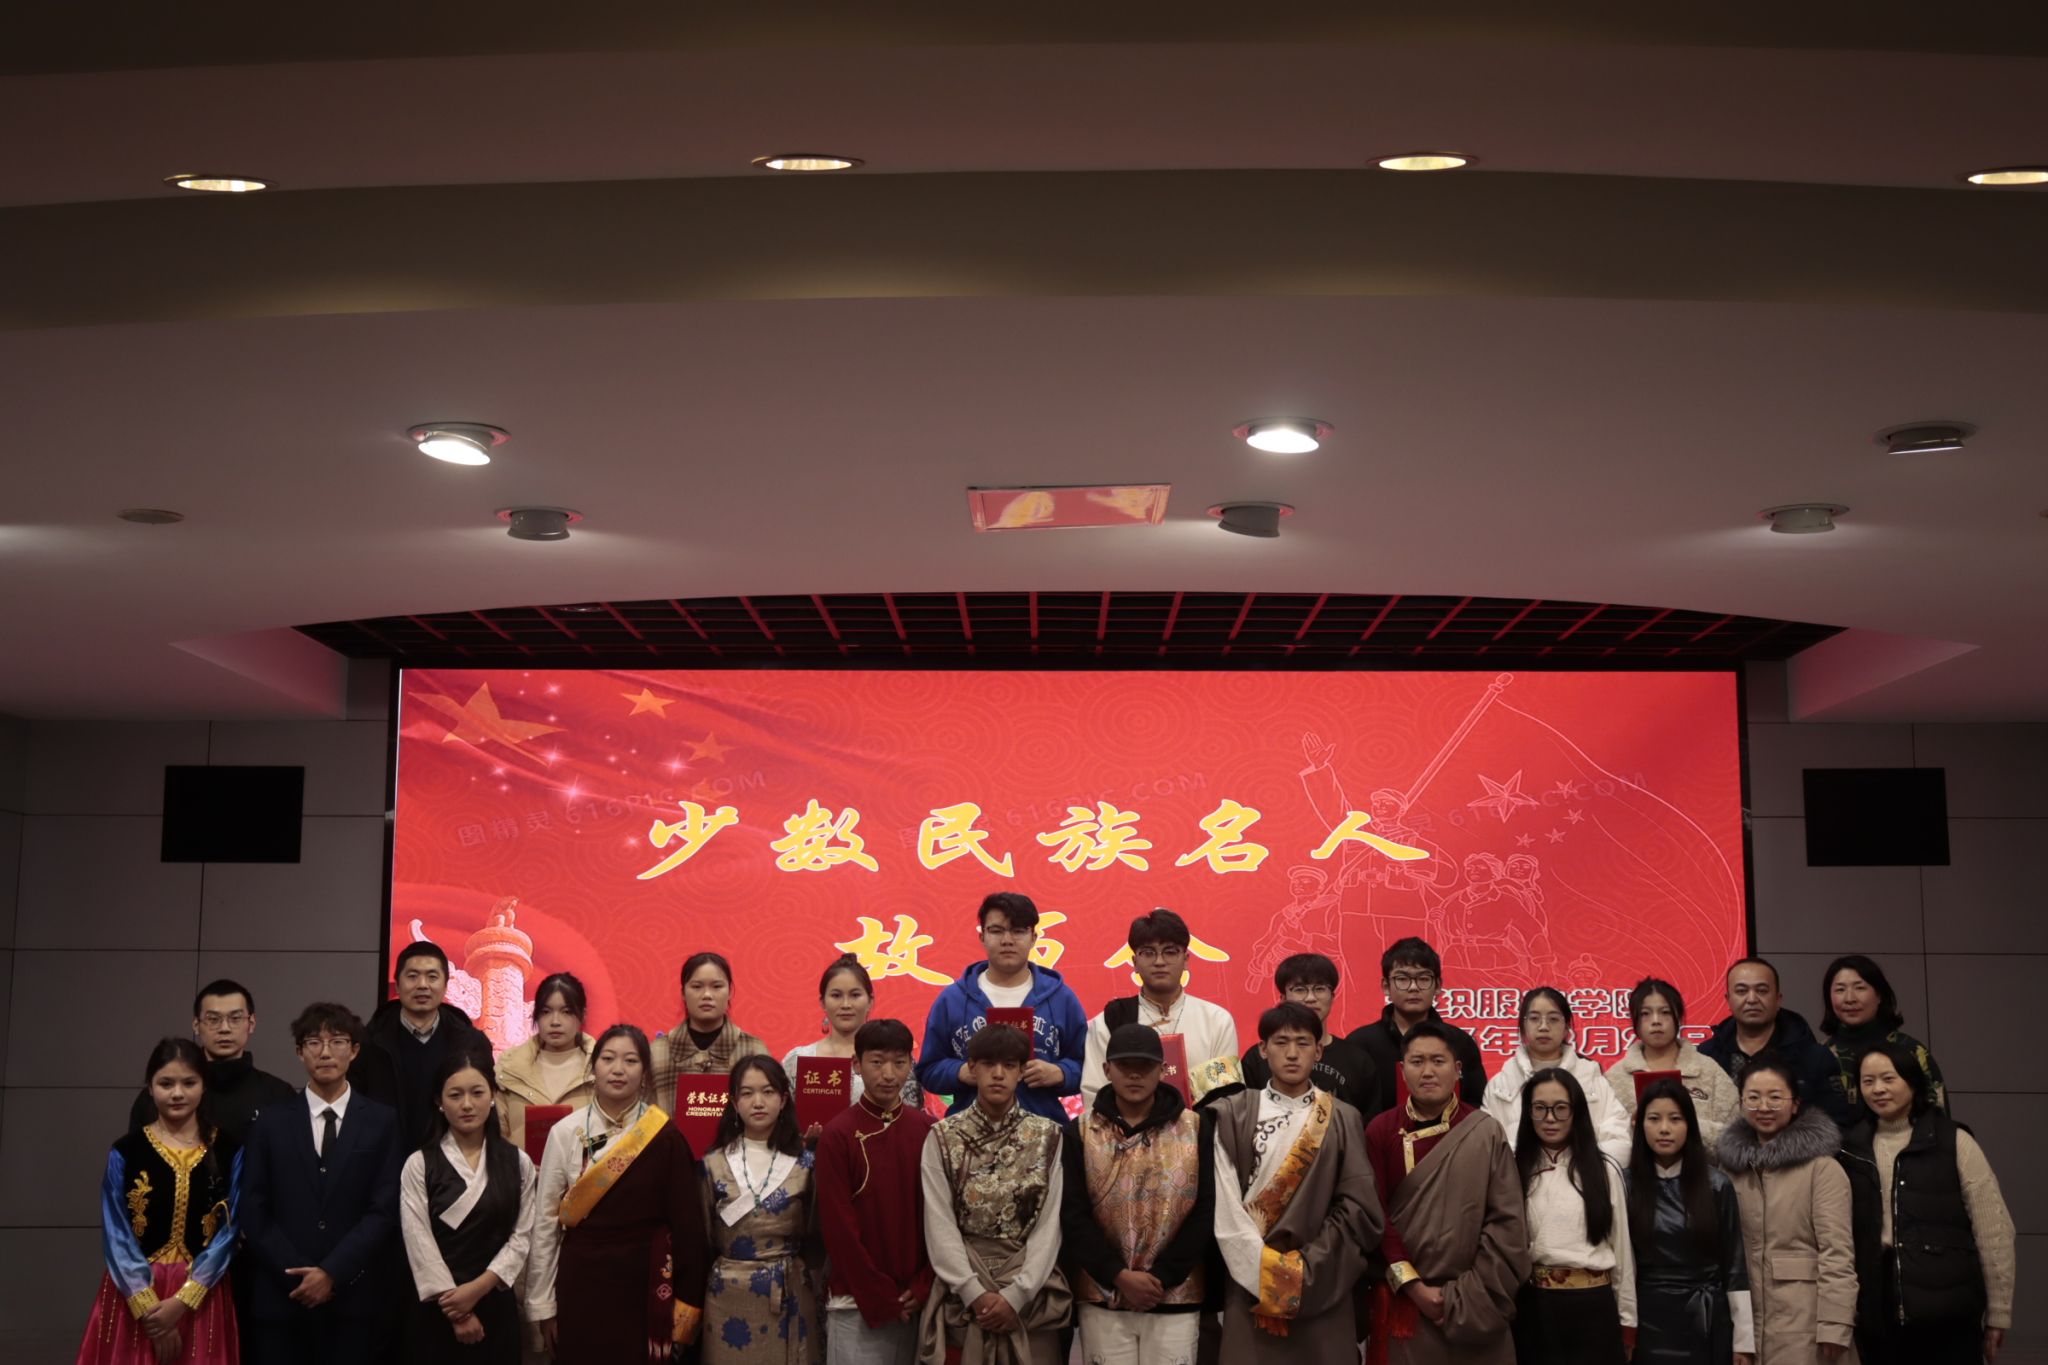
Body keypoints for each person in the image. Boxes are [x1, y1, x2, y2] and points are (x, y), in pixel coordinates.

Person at [526, 1024, 710, 1364]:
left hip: (645, 1283)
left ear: (645, 1074)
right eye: (608, 1058)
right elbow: (546, 1225)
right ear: (593, 1068)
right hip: (580, 1280)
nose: (618, 1069)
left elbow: (688, 1228)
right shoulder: (565, 1132)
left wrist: (685, 1307)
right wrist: (544, 1305)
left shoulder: (665, 1135)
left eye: (630, 1060)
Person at [1210, 1003, 1381, 1359]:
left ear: (1319, 1051)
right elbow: (1224, 1207)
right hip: (1248, 1278)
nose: (1292, 1053)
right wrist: (1263, 1270)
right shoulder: (1232, 1114)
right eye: (1281, 1042)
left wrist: (1309, 1267)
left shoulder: (1343, 1118)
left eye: (1303, 1043)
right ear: (1262, 1049)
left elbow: (1357, 1208)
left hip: (1323, 1277)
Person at [237, 1002, 403, 1365]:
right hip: (282, 1299)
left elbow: (384, 1209)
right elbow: (254, 1207)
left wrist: (332, 1272)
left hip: (353, 1301)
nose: (325, 1052)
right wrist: (299, 1276)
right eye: (314, 1042)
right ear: (300, 1052)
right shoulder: (270, 1122)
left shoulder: (381, 1121)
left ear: (354, 1050)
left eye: (337, 1041)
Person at [1363, 1020, 1530, 1365]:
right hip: (1407, 1302)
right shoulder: (1381, 1130)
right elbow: (1374, 1216)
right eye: (1417, 1061)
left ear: (1457, 1069)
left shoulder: (1485, 1131)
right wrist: (1414, 1287)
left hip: (1477, 1300)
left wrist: (1468, 1295)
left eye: (1438, 1061)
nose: (1427, 1071)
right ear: (1402, 1070)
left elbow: (1507, 1223)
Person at [1839, 1040, 2013, 1365]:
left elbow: (1994, 1230)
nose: (1878, 1089)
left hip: (1949, 1315)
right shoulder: (1849, 1149)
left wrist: (1998, 1313)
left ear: (1913, 1082)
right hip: (1876, 1315)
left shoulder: (1954, 1141)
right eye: (1868, 1081)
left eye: (1889, 1078)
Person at [77, 1038, 243, 1365]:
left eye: (188, 1083)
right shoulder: (126, 1151)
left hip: (201, 1293)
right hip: (134, 1292)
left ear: (204, 1086)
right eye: (166, 1084)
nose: (177, 1093)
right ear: (150, 1088)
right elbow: (116, 1231)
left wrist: (185, 1299)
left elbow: (231, 1228)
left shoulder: (229, 1150)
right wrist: (147, 1306)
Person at [1062, 1023, 1217, 1365]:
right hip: (1103, 1294)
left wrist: (1162, 1277)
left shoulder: (1195, 1128)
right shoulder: (1080, 1131)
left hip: (1175, 1294)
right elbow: (1073, 1215)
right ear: (1107, 1070)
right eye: (1124, 1065)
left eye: (1144, 1066)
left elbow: (1206, 1210)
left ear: (1163, 1070)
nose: (1134, 1075)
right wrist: (1117, 1275)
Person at [917, 1021, 1070, 1364]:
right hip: (963, 1295)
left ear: (1021, 1071)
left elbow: (1050, 1224)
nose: (998, 1074)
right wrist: (973, 1292)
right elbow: (939, 1223)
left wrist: (1018, 1294)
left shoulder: (1049, 1135)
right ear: (972, 1068)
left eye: (1009, 1065)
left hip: (1031, 1294)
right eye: (988, 1064)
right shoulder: (943, 1136)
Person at [398, 1046, 537, 1365]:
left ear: (493, 1096)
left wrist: (477, 1289)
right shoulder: (419, 1164)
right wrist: (457, 1311)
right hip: (439, 1307)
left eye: (477, 1093)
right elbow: (418, 1240)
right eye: (455, 1095)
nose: (467, 1104)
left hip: (494, 1301)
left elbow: (521, 1237)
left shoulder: (518, 1162)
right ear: (439, 1101)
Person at [1714, 1053, 1856, 1365]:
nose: (1764, 1107)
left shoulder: (1822, 1169)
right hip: (1746, 1326)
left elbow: (1837, 1252)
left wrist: (1835, 1325)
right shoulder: (1730, 1170)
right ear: (1741, 1103)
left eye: (1775, 1097)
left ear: (1795, 1104)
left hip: (1806, 1323)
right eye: (1753, 1097)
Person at [814, 1019, 936, 1365]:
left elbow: (942, 1216)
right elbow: (838, 1229)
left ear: (911, 1065)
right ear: (856, 1064)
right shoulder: (837, 1135)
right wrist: (879, 1295)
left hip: (918, 1301)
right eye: (877, 1062)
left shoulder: (929, 1130)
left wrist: (924, 1283)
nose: (888, 1074)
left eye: (899, 1062)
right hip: (855, 1302)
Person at [916, 891, 1088, 1121]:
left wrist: (1060, 1073)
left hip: (1042, 1130)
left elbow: (1090, 1068)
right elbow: (927, 1071)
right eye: (997, 931)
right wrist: (961, 1072)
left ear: (1033, 937)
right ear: (982, 936)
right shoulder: (952, 1000)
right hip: (969, 1132)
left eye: (1018, 931)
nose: (1007, 940)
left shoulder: (1062, 999)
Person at [701, 1055, 821, 1364]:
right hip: (726, 1295)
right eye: (747, 1093)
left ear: (784, 1099)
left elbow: (815, 1235)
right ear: (733, 1101)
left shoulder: (806, 1164)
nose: (758, 1102)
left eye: (768, 1092)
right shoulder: (712, 1164)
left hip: (789, 1290)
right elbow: (703, 1236)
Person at [1625, 1079, 1753, 1365]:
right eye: (1654, 1119)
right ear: (1639, 1125)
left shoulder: (1717, 1185)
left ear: (1690, 1126)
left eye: (1675, 1119)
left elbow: (1734, 1265)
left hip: (1705, 1319)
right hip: (1647, 1320)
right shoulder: (1625, 1185)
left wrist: (1744, 1342)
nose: (1664, 1129)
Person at [1512, 1069, 1634, 1365]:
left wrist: (1628, 1319)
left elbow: (1622, 1249)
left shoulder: (1604, 1170)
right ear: (1528, 1113)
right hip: (1534, 1309)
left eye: (1560, 1108)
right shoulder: (1514, 1169)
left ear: (1576, 1111)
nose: (1550, 1118)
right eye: (1540, 1108)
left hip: (1593, 1308)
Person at [1080, 908, 1239, 1107]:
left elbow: (1226, 1096)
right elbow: (1095, 1094)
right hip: (1126, 1126)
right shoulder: (1108, 1022)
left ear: (1186, 960)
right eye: (1148, 953)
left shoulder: (1217, 1020)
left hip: (1201, 1126)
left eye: (1170, 952)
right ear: (1134, 962)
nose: (1159, 962)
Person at [354, 940, 488, 1153]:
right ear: (398, 985)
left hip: (454, 1161)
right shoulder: (368, 1043)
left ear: (445, 986)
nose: (422, 985)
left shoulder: (472, 1043)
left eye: (432, 977)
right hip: (384, 1162)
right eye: (413, 976)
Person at [124, 979, 297, 1144]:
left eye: (235, 1018)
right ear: (196, 1025)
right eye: (213, 1019)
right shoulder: (160, 1097)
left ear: (251, 1023)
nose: (224, 1028)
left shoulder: (278, 1095)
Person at [1482, 988, 1630, 1163]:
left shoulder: (1592, 1078)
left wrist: (1574, 1165)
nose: (1543, 1027)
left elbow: (1620, 1139)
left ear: (1566, 1027)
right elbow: (1487, 1147)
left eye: (1553, 1019)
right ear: (1523, 1025)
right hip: (1519, 1176)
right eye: (1534, 1018)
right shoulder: (1500, 1085)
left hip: (1584, 1176)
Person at [1345, 938, 1488, 1113]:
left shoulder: (1460, 1042)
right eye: (1402, 979)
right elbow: (1349, 1109)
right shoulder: (1360, 1044)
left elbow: (1476, 1104)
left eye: (1423, 978)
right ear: (1386, 986)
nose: (1413, 987)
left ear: (1438, 985)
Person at [1698, 959, 1846, 1126]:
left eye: (1762, 991)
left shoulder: (1815, 1057)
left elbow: (1837, 1121)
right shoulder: (1707, 1055)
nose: (1752, 999)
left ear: (1778, 999)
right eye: (1741, 991)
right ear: (1728, 1000)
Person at [782, 954, 921, 1129]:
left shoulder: (895, 1060)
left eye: (855, 995)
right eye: (836, 995)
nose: (846, 1004)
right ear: (822, 1002)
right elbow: (782, 1121)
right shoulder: (797, 1060)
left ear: (870, 1001)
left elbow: (911, 1118)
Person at [1238, 952, 1379, 1118]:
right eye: (1300, 989)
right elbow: (1244, 1117)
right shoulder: (1257, 1058)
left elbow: (1368, 1126)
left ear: (1332, 996)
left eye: (1320, 989)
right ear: (1283, 998)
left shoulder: (1358, 1061)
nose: (1311, 998)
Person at [1604, 977, 1740, 1149]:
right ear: (1634, 1021)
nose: (1656, 1021)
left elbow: (1736, 1135)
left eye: (1665, 1012)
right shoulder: (1615, 1078)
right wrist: (1635, 1130)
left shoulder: (1708, 1070)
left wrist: (1687, 1124)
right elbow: (1604, 1138)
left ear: (1678, 1017)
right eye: (1645, 1014)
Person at [1819, 955, 1946, 1124]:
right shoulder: (1819, 1054)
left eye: (1860, 988)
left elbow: (1939, 1118)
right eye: (1840, 990)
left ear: (1879, 995)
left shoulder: (1910, 1050)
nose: (1850, 998)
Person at [653, 952, 773, 1116]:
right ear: (683, 993)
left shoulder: (753, 1049)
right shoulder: (657, 1052)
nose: (707, 995)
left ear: (730, 992)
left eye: (717, 986)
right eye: (697, 987)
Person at [494, 971, 596, 1153]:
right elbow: (497, 1137)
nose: (555, 1022)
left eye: (566, 1012)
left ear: (583, 1015)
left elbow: (614, 1132)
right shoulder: (509, 1068)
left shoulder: (600, 1068)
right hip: (521, 1170)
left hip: (587, 1170)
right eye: (546, 1012)